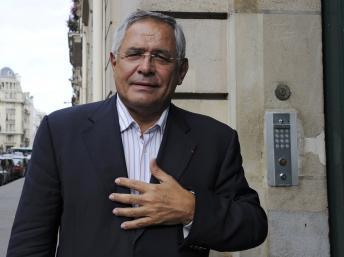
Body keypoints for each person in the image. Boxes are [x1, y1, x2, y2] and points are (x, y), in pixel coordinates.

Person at [6, 10, 267, 257]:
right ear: (114, 62)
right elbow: (30, 240)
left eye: (161, 57)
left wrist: (192, 209)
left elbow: (253, 225)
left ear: (182, 71)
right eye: (134, 54)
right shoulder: (60, 132)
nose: (146, 67)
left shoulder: (216, 139)